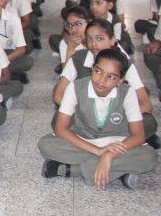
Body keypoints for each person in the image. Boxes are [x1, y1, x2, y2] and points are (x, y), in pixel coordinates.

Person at [38, 49, 158, 190]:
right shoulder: (75, 87)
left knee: (150, 157)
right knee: (46, 144)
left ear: (120, 80)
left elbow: (138, 136)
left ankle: (71, 169)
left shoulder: (127, 93)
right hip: (83, 139)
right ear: (92, 68)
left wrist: (108, 155)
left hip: (115, 143)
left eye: (111, 77)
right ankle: (118, 172)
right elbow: (60, 128)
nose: (101, 80)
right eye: (98, 71)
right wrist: (98, 151)